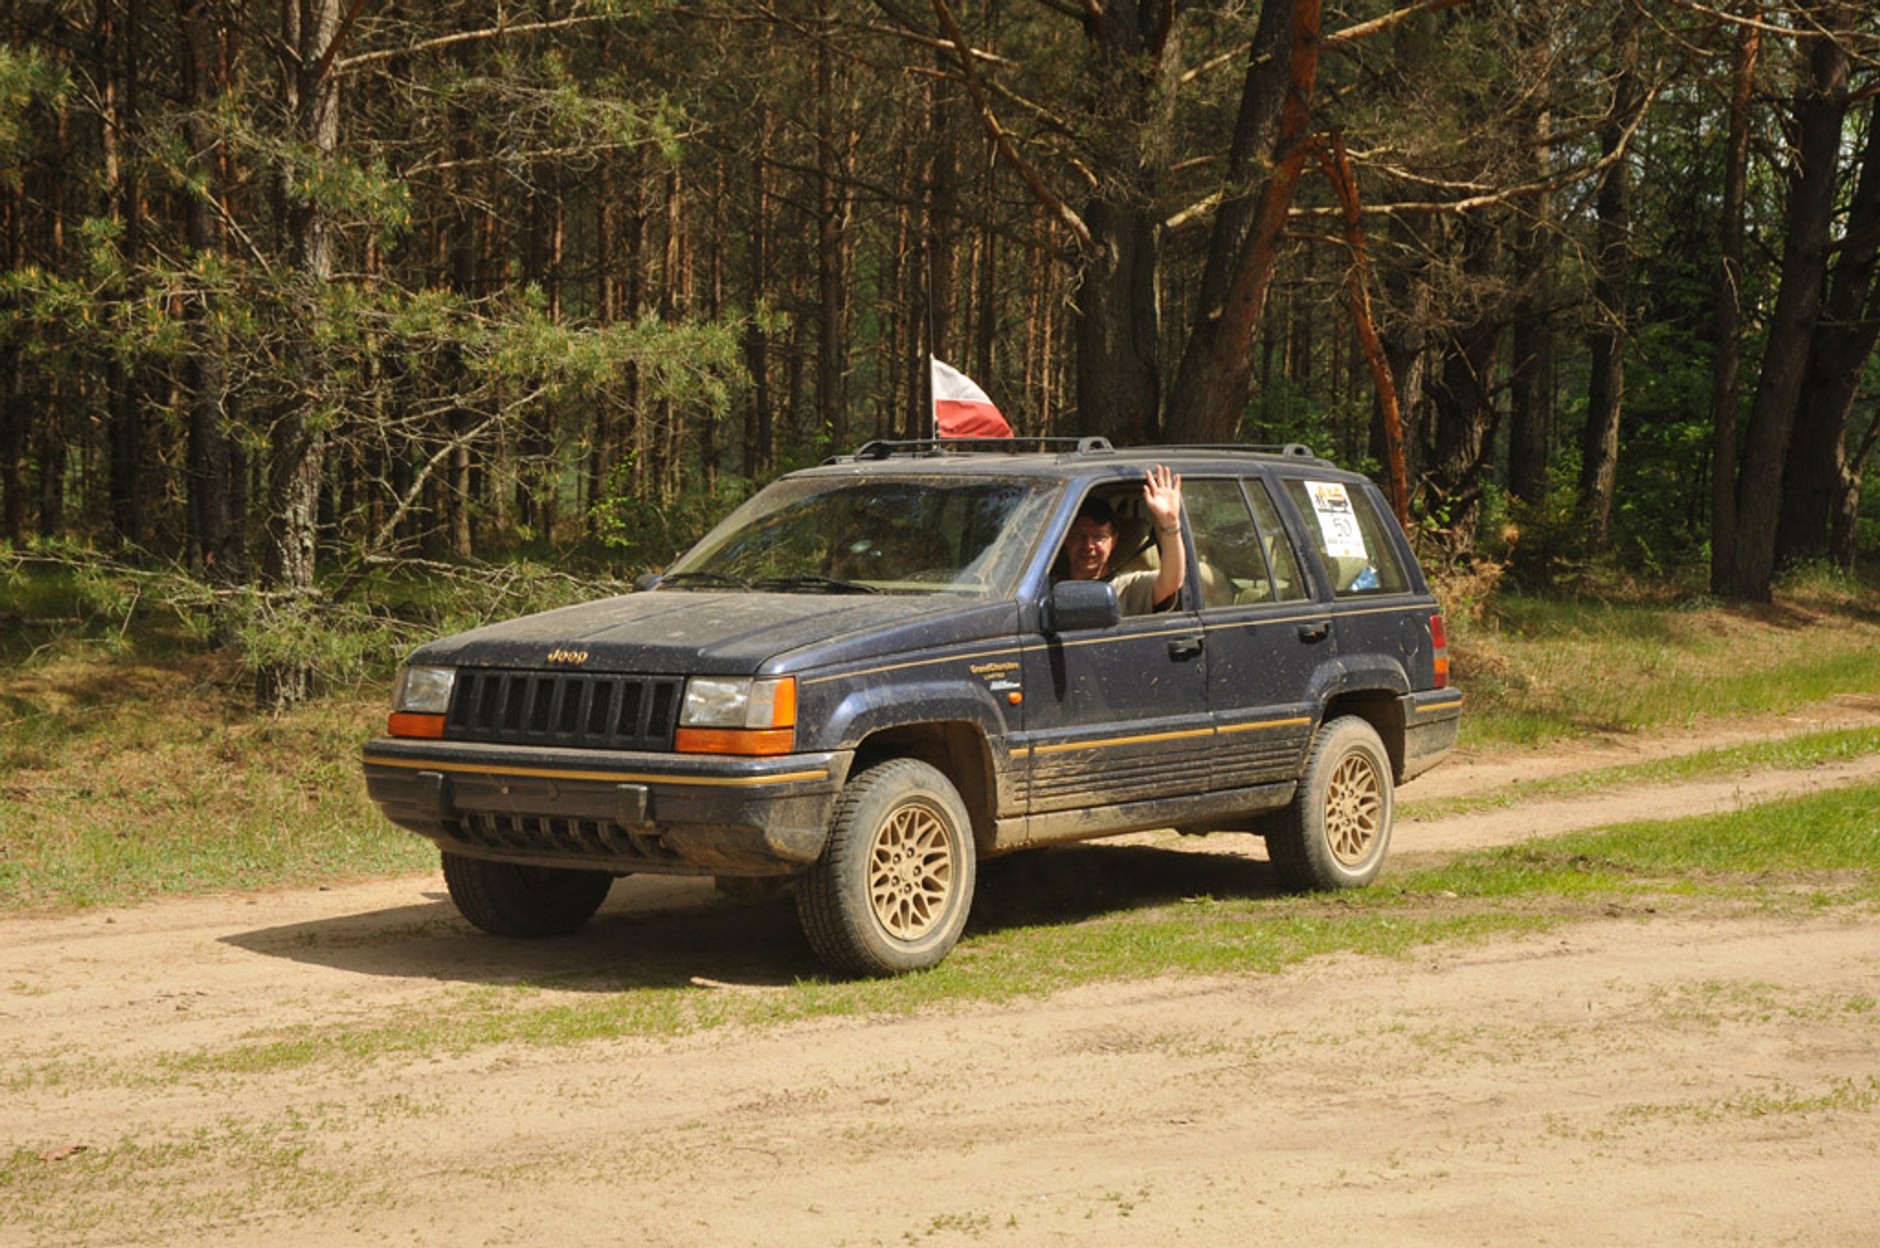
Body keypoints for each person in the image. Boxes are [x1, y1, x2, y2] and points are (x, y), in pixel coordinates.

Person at [1060, 464, 1186, 615]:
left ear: (1113, 541)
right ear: (1065, 539)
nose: (1089, 546)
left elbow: (1171, 582)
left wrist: (1170, 524)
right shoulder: (1043, 587)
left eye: (1099, 537)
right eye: (1079, 536)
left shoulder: (1128, 586)